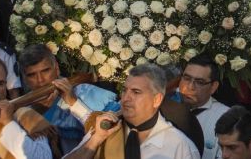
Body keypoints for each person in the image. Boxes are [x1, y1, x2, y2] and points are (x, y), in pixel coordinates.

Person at [64, 63, 200, 158]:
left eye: (136, 92)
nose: (126, 98)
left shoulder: (180, 146)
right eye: (124, 90)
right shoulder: (103, 130)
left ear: (157, 99)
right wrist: (96, 140)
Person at [17, 44, 120, 154]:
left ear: (56, 68)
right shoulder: (24, 112)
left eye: (45, 71)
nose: (40, 80)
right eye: (32, 75)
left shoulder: (84, 92)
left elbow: (115, 132)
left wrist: (74, 103)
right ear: (25, 79)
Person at [177, 55, 230, 159]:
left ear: (213, 87)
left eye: (199, 82)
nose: (190, 87)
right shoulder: (163, 102)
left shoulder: (227, 119)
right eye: (186, 78)